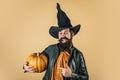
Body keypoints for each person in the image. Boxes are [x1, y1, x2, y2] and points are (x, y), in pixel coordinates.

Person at [23, 3, 89, 80]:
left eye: (66, 33)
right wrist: (26, 67)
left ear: (72, 35)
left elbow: (85, 77)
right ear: (58, 36)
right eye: (60, 33)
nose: (63, 35)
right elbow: (38, 64)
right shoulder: (50, 50)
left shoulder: (78, 55)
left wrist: (71, 75)